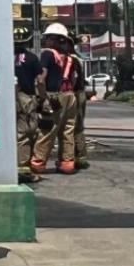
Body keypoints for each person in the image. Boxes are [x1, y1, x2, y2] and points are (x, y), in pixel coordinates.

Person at [33, 24, 84, 175]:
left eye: (47, 38)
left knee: (47, 129)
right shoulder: (70, 58)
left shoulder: (48, 54)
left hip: (54, 95)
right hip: (70, 96)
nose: (45, 40)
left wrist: (43, 98)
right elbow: (74, 80)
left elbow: (41, 79)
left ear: (53, 40)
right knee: (68, 130)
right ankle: (67, 163)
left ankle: (38, 162)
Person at [12, 42, 43, 176]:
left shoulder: (4, 55)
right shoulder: (32, 58)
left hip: (8, 97)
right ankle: (23, 165)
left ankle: (18, 162)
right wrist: (43, 97)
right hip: (26, 98)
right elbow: (40, 80)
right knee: (27, 132)